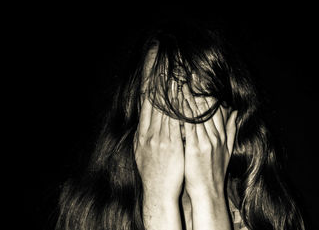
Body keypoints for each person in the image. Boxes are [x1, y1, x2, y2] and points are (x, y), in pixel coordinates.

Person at [55, 18, 305, 230]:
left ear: (231, 115)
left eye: (197, 93)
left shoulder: (265, 214)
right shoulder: (90, 212)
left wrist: (209, 196)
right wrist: (159, 200)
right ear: (134, 116)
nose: (181, 113)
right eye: (160, 97)